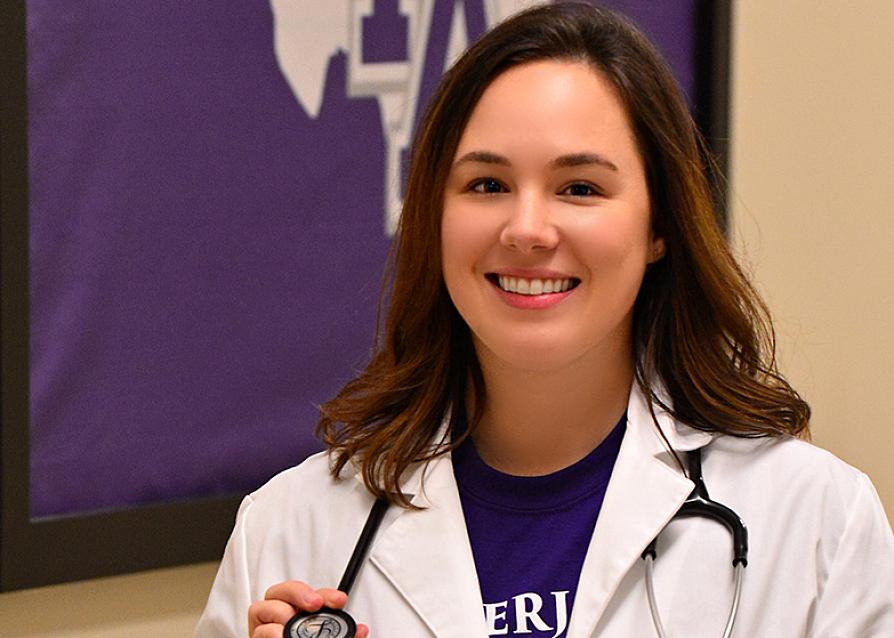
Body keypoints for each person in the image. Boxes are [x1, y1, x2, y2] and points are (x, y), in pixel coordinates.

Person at [196, 3, 894, 637]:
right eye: (488, 185)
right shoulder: (289, 530)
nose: (527, 229)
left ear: (661, 226)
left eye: (580, 188)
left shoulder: (815, 522)